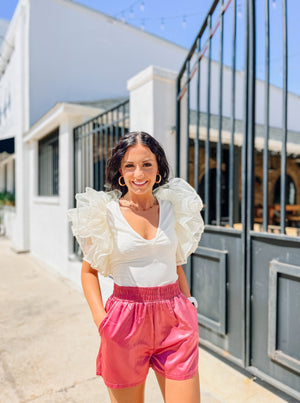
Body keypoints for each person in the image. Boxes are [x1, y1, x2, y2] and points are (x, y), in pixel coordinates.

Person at [67, 131, 204, 403]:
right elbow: (89, 272)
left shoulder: (172, 208)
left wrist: (189, 304)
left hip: (175, 319)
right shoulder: (105, 214)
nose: (138, 174)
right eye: (130, 165)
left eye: (146, 164)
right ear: (120, 171)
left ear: (158, 169)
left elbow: (176, 264)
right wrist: (101, 320)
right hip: (124, 322)